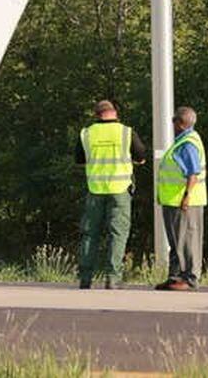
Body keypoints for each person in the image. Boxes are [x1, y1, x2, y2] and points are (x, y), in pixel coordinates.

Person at [75, 99, 147, 289]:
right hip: (120, 189)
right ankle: (112, 278)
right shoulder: (126, 132)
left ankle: (85, 278)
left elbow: (80, 160)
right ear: (115, 112)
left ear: (96, 114)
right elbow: (141, 156)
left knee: (89, 234)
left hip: (95, 189)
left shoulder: (87, 134)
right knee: (118, 234)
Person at [155, 105, 206, 291]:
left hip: (183, 201)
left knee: (186, 240)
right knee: (176, 241)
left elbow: (193, 173)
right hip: (173, 200)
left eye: (174, 120)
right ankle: (175, 276)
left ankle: (190, 278)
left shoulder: (188, 144)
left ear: (181, 123)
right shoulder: (183, 141)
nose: (172, 124)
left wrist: (186, 196)